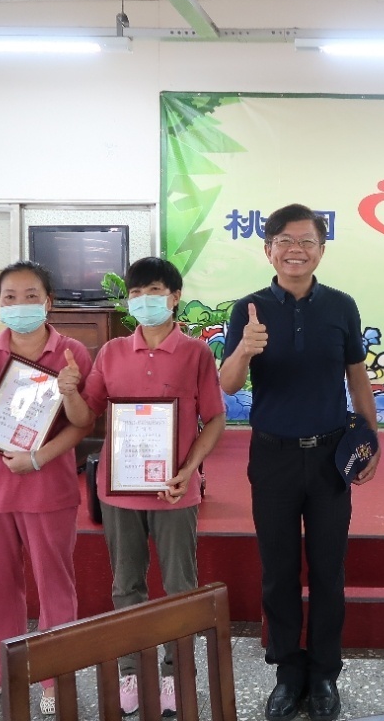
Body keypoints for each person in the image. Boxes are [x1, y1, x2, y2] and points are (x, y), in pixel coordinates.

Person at [220, 203, 380, 721]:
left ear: (321, 250)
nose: (296, 249)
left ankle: (324, 673)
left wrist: (370, 437)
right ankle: (288, 672)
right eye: (285, 240)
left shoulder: (341, 306)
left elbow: (357, 375)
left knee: (330, 569)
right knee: (279, 569)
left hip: (331, 456)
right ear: (268, 248)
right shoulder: (246, 308)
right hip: (273, 457)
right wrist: (244, 349)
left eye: (307, 241)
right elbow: (225, 385)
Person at [61, 256, 226, 717]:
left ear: (174, 297)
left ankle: (175, 674)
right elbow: (88, 412)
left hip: (176, 490)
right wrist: (70, 390)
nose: (144, 301)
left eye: (153, 291)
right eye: (135, 294)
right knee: (126, 584)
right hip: (119, 490)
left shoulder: (196, 353)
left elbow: (214, 418)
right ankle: (131, 670)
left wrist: (189, 469)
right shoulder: (111, 352)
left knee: (179, 584)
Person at [0, 261, 93, 713]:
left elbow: (83, 422)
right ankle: (1, 671)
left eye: (31, 296)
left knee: (55, 584)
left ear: (48, 302)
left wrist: (41, 449)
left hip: (47, 486)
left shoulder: (71, 353)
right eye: (9, 297)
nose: (20, 305)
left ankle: (54, 676)